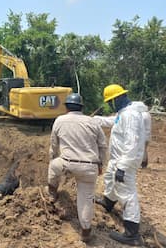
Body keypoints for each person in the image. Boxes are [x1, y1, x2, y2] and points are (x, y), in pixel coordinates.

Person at [47, 93, 107, 243]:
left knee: (53, 167)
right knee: (86, 199)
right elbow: (103, 146)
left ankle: (52, 192)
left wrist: (53, 158)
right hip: (89, 167)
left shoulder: (60, 120)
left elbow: (53, 145)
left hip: (66, 163)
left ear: (66, 107)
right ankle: (86, 231)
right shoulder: (93, 122)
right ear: (81, 107)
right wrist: (101, 164)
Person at [95, 84, 145, 246]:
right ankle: (108, 202)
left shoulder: (130, 116)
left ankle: (132, 234)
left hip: (125, 161)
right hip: (117, 159)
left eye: (111, 102)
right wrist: (95, 120)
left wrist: (122, 167)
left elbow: (132, 143)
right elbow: (114, 122)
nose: (110, 104)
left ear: (117, 98)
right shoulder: (124, 113)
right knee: (110, 178)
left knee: (127, 193)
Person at [94, 101, 151, 168]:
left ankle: (136, 164)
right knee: (143, 150)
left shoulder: (131, 114)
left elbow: (114, 121)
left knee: (132, 149)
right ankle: (142, 164)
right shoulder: (144, 113)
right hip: (145, 135)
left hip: (136, 136)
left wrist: (96, 119)